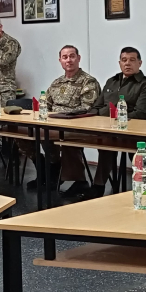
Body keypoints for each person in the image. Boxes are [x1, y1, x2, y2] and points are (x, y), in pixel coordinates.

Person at [21, 45, 101, 196]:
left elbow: (87, 108)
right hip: (52, 124)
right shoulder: (57, 83)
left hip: (75, 125)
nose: (68, 60)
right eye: (65, 57)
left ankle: (68, 177)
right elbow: (45, 103)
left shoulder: (88, 82)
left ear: (78, 58)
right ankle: (45, 169)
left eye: (72, 56)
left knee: (47, 136)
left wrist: (59, 114)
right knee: (22, 134)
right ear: (60, 61)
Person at [86, 47, 146, 197]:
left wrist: (108, 116)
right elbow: (96, 107)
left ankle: (98, 187)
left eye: (132, 60)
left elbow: (141, 114)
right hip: (108, 129)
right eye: (124, 60)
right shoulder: (111, 82)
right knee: (103, 140)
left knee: (108, 142)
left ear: (140, 63)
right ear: (119, 63)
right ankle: (96, 186)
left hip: (135, 132)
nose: (127, 64)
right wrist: (102, 116)